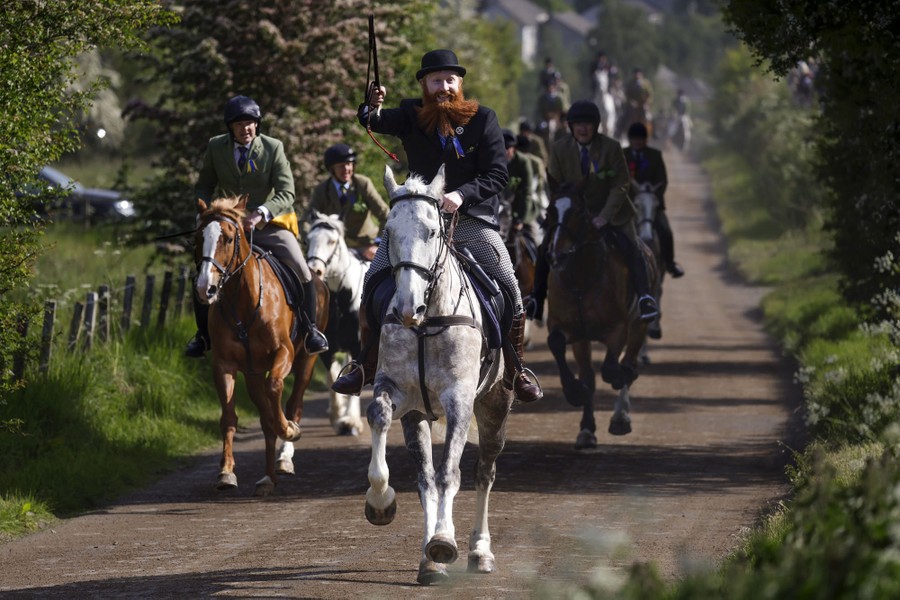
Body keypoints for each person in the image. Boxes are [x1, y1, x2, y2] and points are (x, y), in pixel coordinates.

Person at [331, 48, 542, 403]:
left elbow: (497, 174)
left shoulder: (484, 119)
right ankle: (366, 362)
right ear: (424, 85)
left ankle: (516, 368)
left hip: (471, 219)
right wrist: (371, 104)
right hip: (418, 222)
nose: (443, 87)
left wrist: (462, 194)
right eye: (436, 80)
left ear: (459, 84)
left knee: (509, 282)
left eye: (449, 80)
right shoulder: (410, 115)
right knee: (373, 279)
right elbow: (372, 121)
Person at [186, 94, 328, 357]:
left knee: (301, 268)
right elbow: (204, 185)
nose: (246, 129)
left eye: (250, 123)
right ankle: (202, 336)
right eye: (239, 125)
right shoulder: (216, 147)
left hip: (269, 225)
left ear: (257, 124)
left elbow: (287, 193)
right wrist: (204, 213)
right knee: (202, 273)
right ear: (231, 127)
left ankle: (311, 331)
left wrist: (260, 213)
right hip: (229, 227)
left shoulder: (273, 147)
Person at [528, 99, 659, 324]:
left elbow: (621, 185)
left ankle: (645, 297)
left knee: (632, 247)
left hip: (611, 212)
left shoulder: (611, 147)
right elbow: (555, 184)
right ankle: (537, 299)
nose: (582, 128)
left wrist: (603, 216)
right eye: (577, 124)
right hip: (573, 212)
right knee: (545, 247)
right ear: (570, 126)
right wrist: (567, 209)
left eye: (587, 124)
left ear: (596, 126)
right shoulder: (559, 148)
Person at [302, 143, 389, 261]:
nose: (346, 169)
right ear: (332, 169)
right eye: (341, 166)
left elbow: (385, 215)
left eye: (349, 164)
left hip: (365, 247)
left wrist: (378, 244)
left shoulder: (363, 184)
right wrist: (311, 241)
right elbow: (306, 221)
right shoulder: (321, 190)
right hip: (333, 248)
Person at [625, 121, 684, 278]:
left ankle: (670, 263)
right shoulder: (622, 155)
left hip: (651, 203)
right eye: (635, 139)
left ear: (646, 140)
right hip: (629, 204)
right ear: (630, 140)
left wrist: (652, 194)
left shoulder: (655, 155)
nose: (637, 142)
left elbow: (663, 180)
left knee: (665, 231)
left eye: (641, 139)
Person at [502, 129, 543, 248]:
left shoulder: (523, 162)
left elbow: (527, 192)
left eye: (507, 148)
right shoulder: (494, 160)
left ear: (513, 149)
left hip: (523, 208)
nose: (504, 151)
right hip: (501, 211)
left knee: (534, 238)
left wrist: (520, 219)